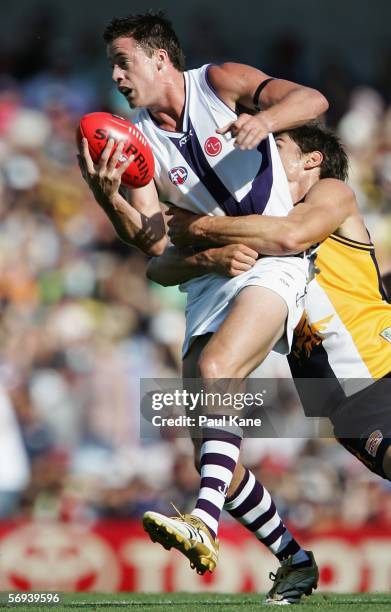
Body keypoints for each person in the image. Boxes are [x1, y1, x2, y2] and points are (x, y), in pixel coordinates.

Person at [78, 11, 327, 605]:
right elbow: (150, 238)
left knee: (218, 371)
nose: (116, 75)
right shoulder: (137, 136)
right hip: (212, 274)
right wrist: (106, 197)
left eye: (123, 60)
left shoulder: (219, 82)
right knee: (209, 448)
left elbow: (313, 100)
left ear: (160, 58)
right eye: (113, 64)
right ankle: (296, 561)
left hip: (273, 257)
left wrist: (263, 119)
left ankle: (203, 525)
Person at [152, 123, 391, 482]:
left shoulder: (330, 191)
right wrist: (207, 257)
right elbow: (159, 267)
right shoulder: (246, 225)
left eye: (275, 145)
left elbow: (290, 235)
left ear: (312, 161)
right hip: (343, 404)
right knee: (210, 460)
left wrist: (201, 228)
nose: (261, 152)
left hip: (380, 366)